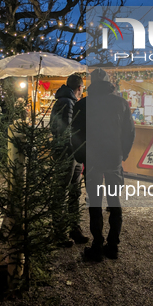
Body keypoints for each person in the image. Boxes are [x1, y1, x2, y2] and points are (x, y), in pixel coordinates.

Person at [80, 69, 135, 261]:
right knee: (114, 201)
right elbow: (129, 131)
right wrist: (123, 153)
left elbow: (75, 133)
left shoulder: (85, 104)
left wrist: (81, 157)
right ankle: (113, 245)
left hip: (93, 158)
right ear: (109, 83)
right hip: (113, 158)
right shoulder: (120, 103)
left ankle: (97, 244)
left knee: (94, 202)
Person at [49, 74, 89, 246]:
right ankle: (59, 232)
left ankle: (73, 228)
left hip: (70, 152)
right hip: (68, 152)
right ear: (79, 88)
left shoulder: (62, 101)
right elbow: (69, 130)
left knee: (73, 191)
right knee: (64, 191)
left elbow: (54, 127)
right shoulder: (68, 103)